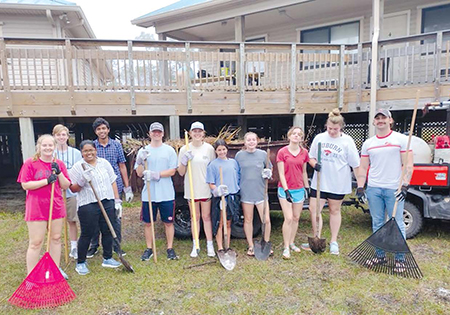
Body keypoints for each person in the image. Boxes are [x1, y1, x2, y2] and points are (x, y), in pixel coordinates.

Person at [357, 109, 413, 272]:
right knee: (377, 222)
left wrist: (405, 184)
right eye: (377, 118)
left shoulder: (401, 140)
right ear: (374, 122)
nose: (380, 121)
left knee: (397, 223)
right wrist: (361, 187)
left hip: (393, 189)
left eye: (384, 118)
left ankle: (400, 259)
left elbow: (408, 165)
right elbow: (363, 166)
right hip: (374, 188)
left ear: (390, 120)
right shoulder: (368, 143)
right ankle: (380, 256)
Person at [304, 109, 360, 255]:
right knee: (314, 210)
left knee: (334, 211)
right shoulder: (320, 138)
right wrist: (314, 164)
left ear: (341, 127)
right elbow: (310, 157)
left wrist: (360, 184)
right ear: (326, 126)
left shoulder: (347, 141)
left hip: (338, 182)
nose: (332, 132)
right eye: (329, 128)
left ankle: (334, 241)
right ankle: (317, 236)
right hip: (320, 182)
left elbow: (355, 163)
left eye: (335, 129)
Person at [17, 134, 71, 280]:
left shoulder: (58, 164)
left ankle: (53, 271)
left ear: (55, 147)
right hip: (37, 207)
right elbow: (25, 184)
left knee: (55, 238)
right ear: (39, 147)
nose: (47, 148)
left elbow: (66, 185)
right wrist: (46, 181)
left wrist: (58, 174)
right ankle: (31, 276)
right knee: (36, 242)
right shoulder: (30, 163)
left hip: (56, 206)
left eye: (50, 145)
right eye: (44, 145)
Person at [69, 140, 123, 275]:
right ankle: (81, 262)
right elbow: (73, 188)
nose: (89, 153)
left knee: (107, 230)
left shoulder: (104, 163)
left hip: (107, 201)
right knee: (88, 233)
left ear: (95, 150)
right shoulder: (78, 167)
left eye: (91, 150)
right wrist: (82, 180)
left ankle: (108, 258)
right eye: (85, 151)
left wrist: (116, 200)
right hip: (88, 204)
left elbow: (113, 181)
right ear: (81, 152)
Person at [87, 117, 132, 258]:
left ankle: (116, 246)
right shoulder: (92, 146)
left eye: (103, 128)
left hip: (114, 186)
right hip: (97, 186)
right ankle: (94, 245)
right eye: (99, 129)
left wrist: (127, 187)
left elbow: (122, 165)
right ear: (95, 132)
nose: (102, 131)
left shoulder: (116, 145)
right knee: (94, 217)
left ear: (108, 130)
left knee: (115, 217)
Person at [135, 122, 179, 261]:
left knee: (168, 222)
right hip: (149, 194)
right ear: (149, 133)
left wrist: (156, 174)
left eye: (159, 131)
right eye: (154, 131)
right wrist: (141, 161)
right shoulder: (144, 151)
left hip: (166, 193)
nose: (156, 134)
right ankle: (149, 249)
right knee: (148, 223)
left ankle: (170, 248)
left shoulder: (169, 150)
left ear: (163, 133)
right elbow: (139, 173)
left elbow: (173, 170)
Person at [177, 121, 216, 258]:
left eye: (200, 131)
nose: (197, 133)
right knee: (195, 217)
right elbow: (181, 172)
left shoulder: (209, 149)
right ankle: (196, 245)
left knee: (206, 217)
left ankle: (210, 245)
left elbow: (213, 168)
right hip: (191, 189)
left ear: (203, 133)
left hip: (205, 188)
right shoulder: (184, 149)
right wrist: (183, 161)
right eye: (195, 131)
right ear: (190, 133)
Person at [235, 132, 272, 256]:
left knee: (266, 219)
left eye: (253, 140)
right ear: (244, 142)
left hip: (261, 192)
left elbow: (269, 168)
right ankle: (250, 245)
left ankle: (266, 243)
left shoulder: (263, 154)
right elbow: (236, 173)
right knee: (248, 219)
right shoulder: (239, 156)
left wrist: (268, 173)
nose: (251, 142)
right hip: (246, 193)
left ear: (257, 141)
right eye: (248, 140)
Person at [277, 126, 310, 259]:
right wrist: (286, 190)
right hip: (285, 190)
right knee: (289, 218)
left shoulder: (304, 153)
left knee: (296, 218)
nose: (296, 136)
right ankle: (285, 247)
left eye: (299, 135)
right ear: (289, 136)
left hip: (299, 189)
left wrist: (306, 187)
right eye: (294, 134)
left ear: (301, 138)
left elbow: (303, 171)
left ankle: (291, 242)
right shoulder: (282, 152)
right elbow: (281, 173)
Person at [53, 124, 82, 260]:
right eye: (58, 135)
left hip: (70, 192)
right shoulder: (51, 153)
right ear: (54, 136)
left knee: (72, 220)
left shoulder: (75, 153)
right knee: (56, 221)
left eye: (63, 135)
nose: (61, 137)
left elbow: (77, 171)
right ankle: (56, 245)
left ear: (67, 136)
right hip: (55, 193)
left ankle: (74, 246)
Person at [206, 139, 240, 252]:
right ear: (216, 151)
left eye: (223, 149)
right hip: (221, 198)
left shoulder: (233, 162)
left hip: (232, 195)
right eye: (219, 150)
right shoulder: (213, 165)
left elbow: (238, 177)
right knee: (220, 222)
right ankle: (220, 247)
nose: (222, 152)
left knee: (228, 222)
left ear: (227, 149)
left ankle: (227, 245)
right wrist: (217, 190)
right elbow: (211, 183)